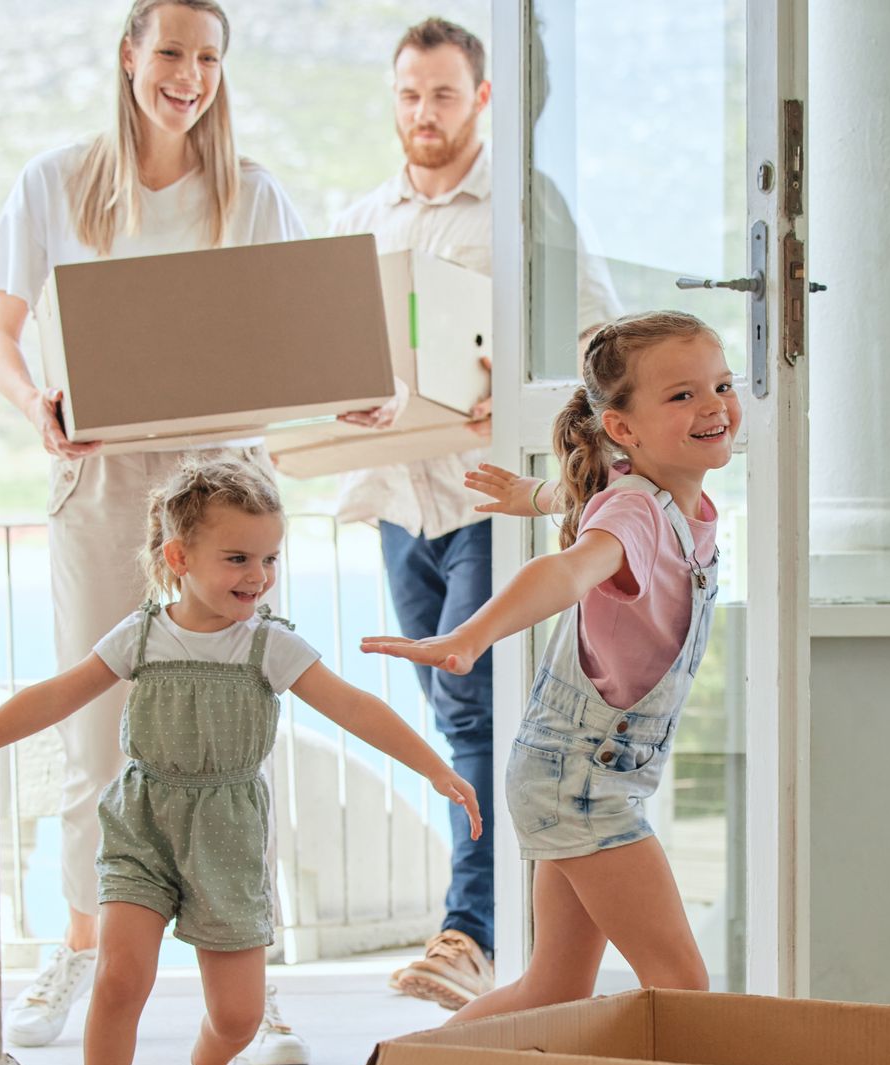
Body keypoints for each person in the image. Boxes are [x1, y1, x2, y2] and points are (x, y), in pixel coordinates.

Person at [0, 457, 481, 1065]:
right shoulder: (140, 637)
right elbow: (54, 695)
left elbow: (357, 707)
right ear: (179, 557)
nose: (257, 574)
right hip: (143, 820)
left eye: (269, 557)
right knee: (118, 978)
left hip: (228, 834)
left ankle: (211, 1062)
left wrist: (434, 766)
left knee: (235, 1014)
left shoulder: (269, 643)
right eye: (237, 557)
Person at [0, 0, 308, 1064]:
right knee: (95, 730)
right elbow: (2, 327)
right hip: (104, 475)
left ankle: (255, 986)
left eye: (208, 57)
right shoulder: (54, 181)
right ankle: (81, 950)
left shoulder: (252, 192)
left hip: (223, 484)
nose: (189, 75)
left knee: (239, 732)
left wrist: (350, 387)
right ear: (129, 56)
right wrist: (34, 402)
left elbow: (298, 335)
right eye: (171, 52)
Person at [329, 311, 723, 1065]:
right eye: (682, 394)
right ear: (622, 428)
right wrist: (471, 634)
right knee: (682, 985)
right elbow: (573, 564)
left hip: (569, 773)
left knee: (552, 986)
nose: (714, 405)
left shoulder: (672, 498)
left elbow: (588, 505)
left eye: (719, 386)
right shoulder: (640, 514)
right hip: (582, 784)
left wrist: (536, 496)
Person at [330, 17, 619, 1011]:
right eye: (410, 94)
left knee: (479, 711)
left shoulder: (525, 208)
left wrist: (525, 389)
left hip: (484, 497)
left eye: (444, 95)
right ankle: (490, 936)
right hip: (398, 498)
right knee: (456, 713)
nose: (425, 113)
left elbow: (599, 340)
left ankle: (471, 934)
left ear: (482, 100)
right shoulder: (366, 217)